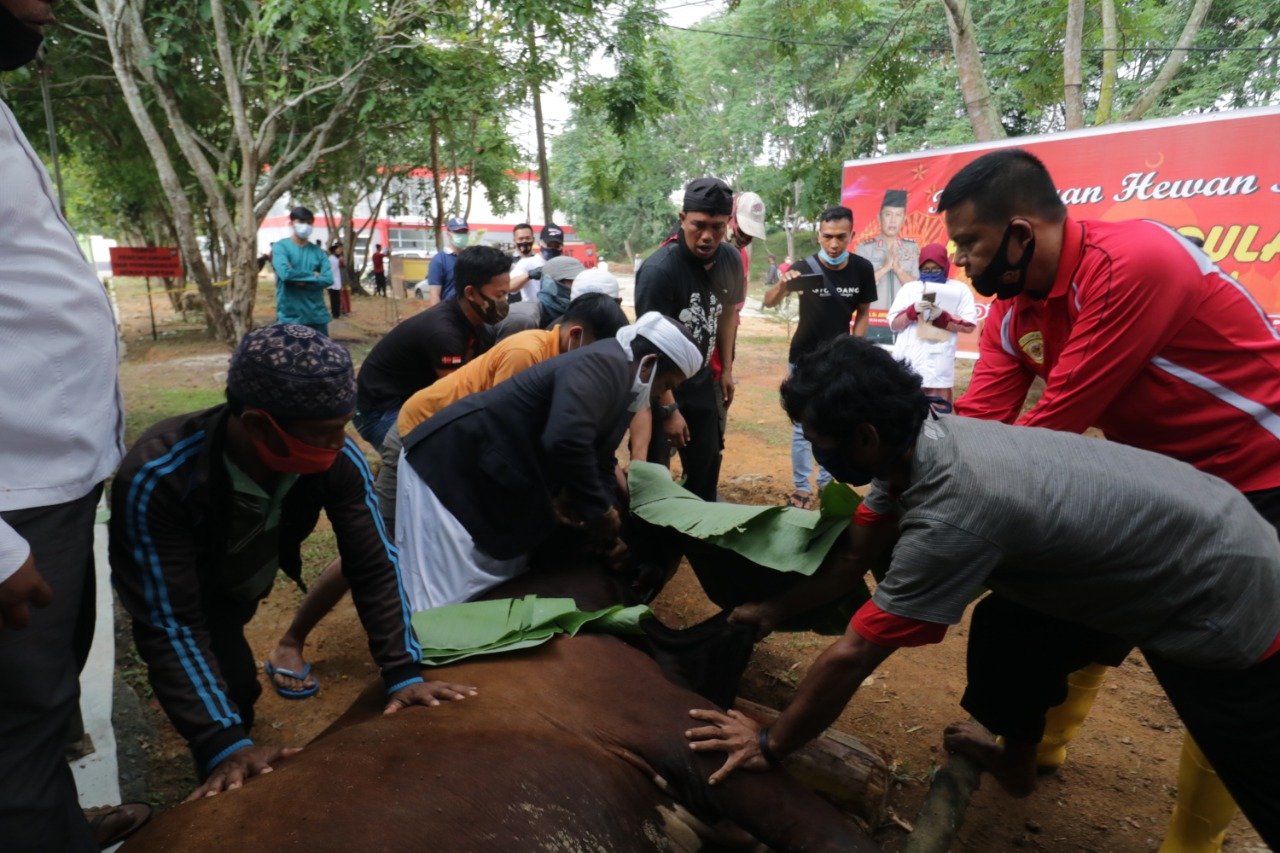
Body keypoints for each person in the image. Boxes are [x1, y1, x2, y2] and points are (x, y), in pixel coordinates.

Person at [685, 336, 1280, 849]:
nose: (818, 452)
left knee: (1244, 745)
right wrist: (770, 611)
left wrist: (770, 741)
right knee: (1008, 628)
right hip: (1168, 535)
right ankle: (1016, 764)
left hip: (1218, 582)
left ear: (863, 436)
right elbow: (852, 563)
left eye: (819, 438)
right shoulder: (918, 446)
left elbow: (856, 652)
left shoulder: (954, 509)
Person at [941, 147, 1280, 849]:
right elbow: (979, 435)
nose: (963, 263)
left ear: (1022, 233)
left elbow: (1048, 433)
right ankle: (1031, 752)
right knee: (1043, 608)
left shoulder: (1137, 263)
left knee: (1230, 676)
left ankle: (1194, 843)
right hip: (1171, 487)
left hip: (1263, 479)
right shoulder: (1013, 316)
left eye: (971, 244)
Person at [110, 325, 475, 796]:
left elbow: (373, 563)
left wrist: (402, 670)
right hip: (194, 595)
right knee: (233, 693)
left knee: (233, 684)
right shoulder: (159, 477)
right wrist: (221, 742)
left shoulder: (336, 457)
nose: (340, 443)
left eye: (343, 425)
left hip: (242, 583)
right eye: (324, 433)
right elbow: (170, 622)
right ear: (260, 424)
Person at [264, 293, 629, 681]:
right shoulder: (531, 353)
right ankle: (291, 639)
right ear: (576, 336)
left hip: (454, 455)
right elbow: (507, 442)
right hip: (418, 439)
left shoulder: (561, 360)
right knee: (375, 545)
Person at [0, 5, 149, 847]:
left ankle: (54, 820)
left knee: (44, 704)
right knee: (18, 720)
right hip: (12, 507)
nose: (47, 10)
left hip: (47, 491)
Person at [396, 313, 703, 611]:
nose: (658, 395)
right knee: (444, 599)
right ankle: (413, 657)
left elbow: (600, 458)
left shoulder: (620, 383)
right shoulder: (603, 365)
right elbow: (567, 438)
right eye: (664, 385)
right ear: (649, 364)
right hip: (449, 469)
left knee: (493, 586)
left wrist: (610, 530)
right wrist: (600, 511)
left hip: (488, 474)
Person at [633, 178, 744, 502]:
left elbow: (726, 313)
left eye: (717, 227)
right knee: (654, 476)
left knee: (705, 469)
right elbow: (647, 353)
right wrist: (669, 410)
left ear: (728, 225)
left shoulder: (730, 260)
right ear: (682, 219)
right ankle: (655, 549)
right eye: (698, 225)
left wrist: (725, 370)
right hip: (658, 389)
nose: (708, 236)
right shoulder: (659, 271)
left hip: (702, 382)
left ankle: (697, 538)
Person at [762, 205, 876, 510]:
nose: (834, 244)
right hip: (803, 358)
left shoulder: (862, 269)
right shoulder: (804, 266)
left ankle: (827, 482)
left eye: (841, 237)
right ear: (818, 235)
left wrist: (855, 346)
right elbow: (769, 303)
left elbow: (863, 312)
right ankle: (802, 486)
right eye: (828, 237)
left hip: (840, 360)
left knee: (836, 422)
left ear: (852, 234)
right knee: (802, 426)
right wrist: (785, 283)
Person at [352, 244, 508, 448]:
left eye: (507, 294)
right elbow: (455, 397)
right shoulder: (444, 333)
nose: (505, 302)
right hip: (380, 411)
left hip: (412, 398)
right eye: (499, 296)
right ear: (470, 293)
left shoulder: (478, 324)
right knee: (432, 458)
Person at [887, 243, 977, 410]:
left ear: (945, 266)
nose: (930, 273)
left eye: (935, 269)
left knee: (938, 420)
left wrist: (943, 317)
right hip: (908, 364)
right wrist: (911, 312)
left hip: (938, 366)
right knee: (904, 416)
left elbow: (969, 325)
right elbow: (893, 324)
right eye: (925, 269)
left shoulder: (959, 290)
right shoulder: (909, 289)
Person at [855, 189, 918, 341]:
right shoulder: (865, 248)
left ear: (904, 218)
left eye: (898, 215)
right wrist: (884, 269)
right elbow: (857, 284)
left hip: (902, 321)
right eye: (888, 214)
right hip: (873, 320)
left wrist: (898, 269)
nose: (892, 220)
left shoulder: (911, 248)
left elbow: (917, 286)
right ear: (879, 217)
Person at [272, 206, 333, 334]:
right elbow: (285, 274)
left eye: (309, 223)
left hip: (316, 317)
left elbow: (328, 279)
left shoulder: (319, 253)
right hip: (289, 317)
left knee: (320, 354)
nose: (305, 226)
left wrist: (302, 281)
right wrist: (314, 275)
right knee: (289, 354)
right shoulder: (280, 247)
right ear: (291, 223)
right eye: (301, 222)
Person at [425, 216, 470, 304]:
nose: (461, 235)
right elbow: (435, 295)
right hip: (449, 313)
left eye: (464, 232)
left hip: (469, 313)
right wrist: (439, 316)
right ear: (448, 233)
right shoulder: (439, 260)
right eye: (457, 232)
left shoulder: (470, 258)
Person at [537, 255, 586, 327]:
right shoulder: (533, 317)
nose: (578, 286)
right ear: (550, 283)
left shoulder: (585, 311)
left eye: (580, 282)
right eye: (572, 282)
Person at [327, 241, 344, 320]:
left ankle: (336, 313)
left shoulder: (337, 258)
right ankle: (335, 314)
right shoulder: (332, 259)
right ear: (334, 250)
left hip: (336, 281)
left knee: (336, 298)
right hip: (332, 281)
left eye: (341, 249)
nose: (340, 250)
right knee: (334, 299)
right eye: (338, 249)